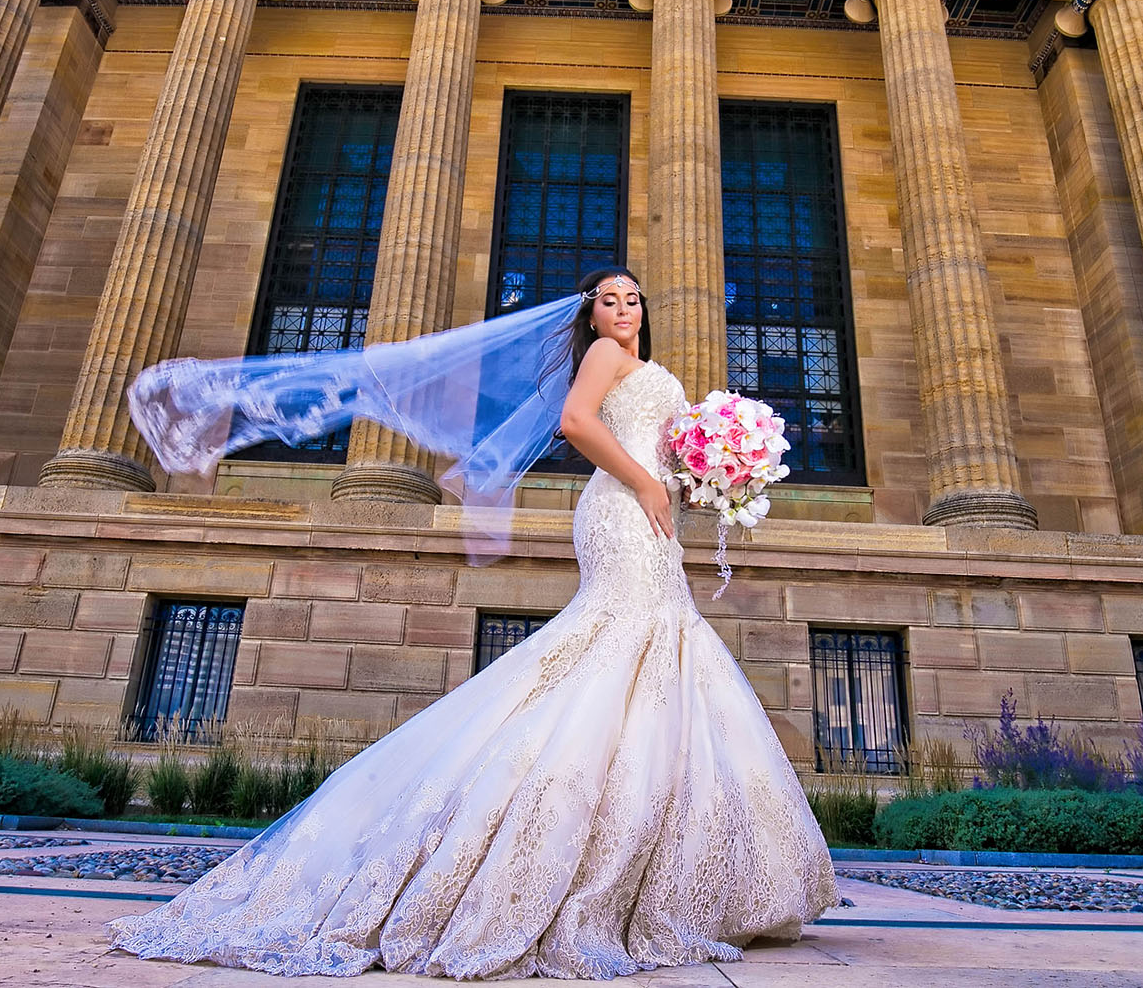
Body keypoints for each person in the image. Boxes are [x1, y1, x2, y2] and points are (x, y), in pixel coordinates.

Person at [109, 268, 836, 978]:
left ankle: (674, 868)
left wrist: (713, 474)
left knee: (656, 656)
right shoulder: (606, 356)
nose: (623, 308)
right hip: (621, 510)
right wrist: (648, 480)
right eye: (609, 300)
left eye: (633, 298)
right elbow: (575, 422)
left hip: (653, 508)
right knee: (622, 644)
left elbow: (662, 448)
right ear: (592, 316)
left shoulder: (649, 367)